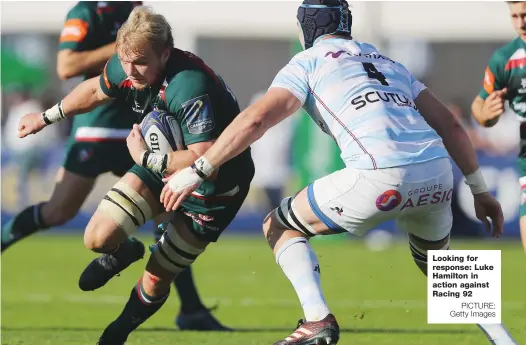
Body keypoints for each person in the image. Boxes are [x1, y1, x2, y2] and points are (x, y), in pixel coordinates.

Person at [159, 1, 517, 345]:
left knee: (279, 224)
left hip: (380, 174)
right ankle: (504, 339)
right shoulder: (387, 60)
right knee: (444, 265)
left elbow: (255, 119)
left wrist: (199, 168)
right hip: (438, 174)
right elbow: (452, 126)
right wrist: (480, 191)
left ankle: (317, 319)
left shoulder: (307, 61)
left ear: (306, 26)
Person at [12, 2, 233, 333]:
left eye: (141, 63)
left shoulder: (188, 85)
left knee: (158, 276)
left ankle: (123, 331)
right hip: (151, 155)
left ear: (166, 54)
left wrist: (145, 158)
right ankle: (126, 249)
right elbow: (95, 88)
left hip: (215, 180)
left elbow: (207, 160)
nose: (130, 71)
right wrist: (45, 118)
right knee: (96, 237)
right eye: (126, 61)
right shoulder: (119, 48)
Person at [471, 0, 526, 253]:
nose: (520, 23)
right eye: (514, 16)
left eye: (525, 15)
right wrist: (488, 115)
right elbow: (479, 106)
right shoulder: (505, 59)